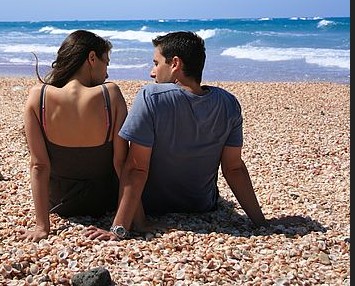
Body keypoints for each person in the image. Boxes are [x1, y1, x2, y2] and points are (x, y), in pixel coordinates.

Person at [87, 31, 266, 241]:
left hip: (152, 205)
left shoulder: (151, 97)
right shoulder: (228, 103)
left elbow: (136, 168)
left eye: (156, 63)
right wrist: (261, 223)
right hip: (201, 205)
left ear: (175, 64)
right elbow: (233, 168)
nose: (152, 73)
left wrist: (119, 228)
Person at [24, 29, 145, 242]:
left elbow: (39, 166)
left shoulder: (39, 96)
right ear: (91, 58)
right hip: (105, 202)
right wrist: (136, 221)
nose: (107, 72)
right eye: (106, 62)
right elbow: (121, 164)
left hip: (61, 204)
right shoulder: (110, 94)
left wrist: (42, 227)